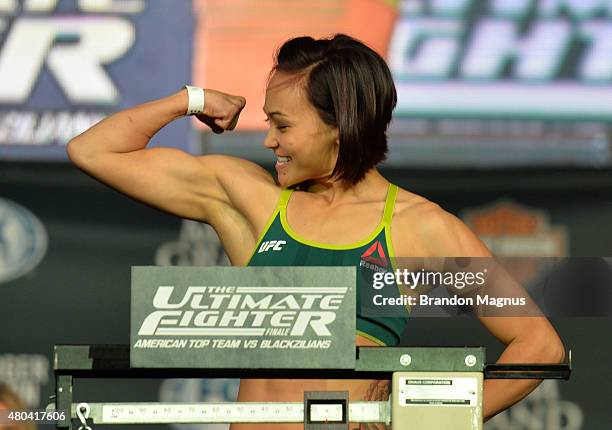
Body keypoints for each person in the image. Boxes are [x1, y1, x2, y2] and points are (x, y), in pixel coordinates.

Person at [67, 34, 565, 429]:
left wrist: (429, 419)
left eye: (282, 125)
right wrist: (191, 98)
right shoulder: (253, 203)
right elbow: (93, 152)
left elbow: (539, 347)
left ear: (339, 126)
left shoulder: (421, 229)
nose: (267, 140)